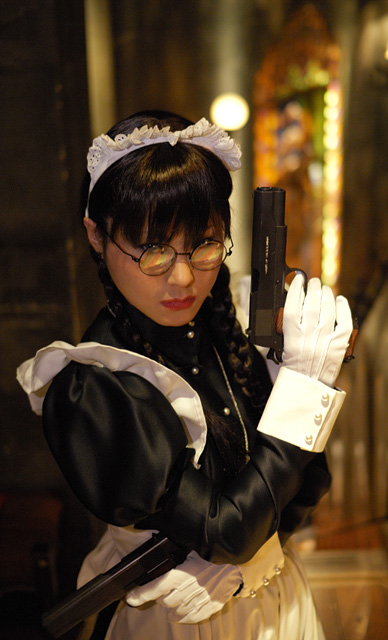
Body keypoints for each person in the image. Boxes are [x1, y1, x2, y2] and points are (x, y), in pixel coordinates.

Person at [17, 110, 353, 640]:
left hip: (282, 603)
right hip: (173, 622)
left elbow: (311, 480)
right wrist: (302, 393)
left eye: (204, 245)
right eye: (153, 250)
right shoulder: (90, 387)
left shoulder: (229, 326)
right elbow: (229, 531)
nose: (182, 277)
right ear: (97, 236)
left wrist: (255, 562)